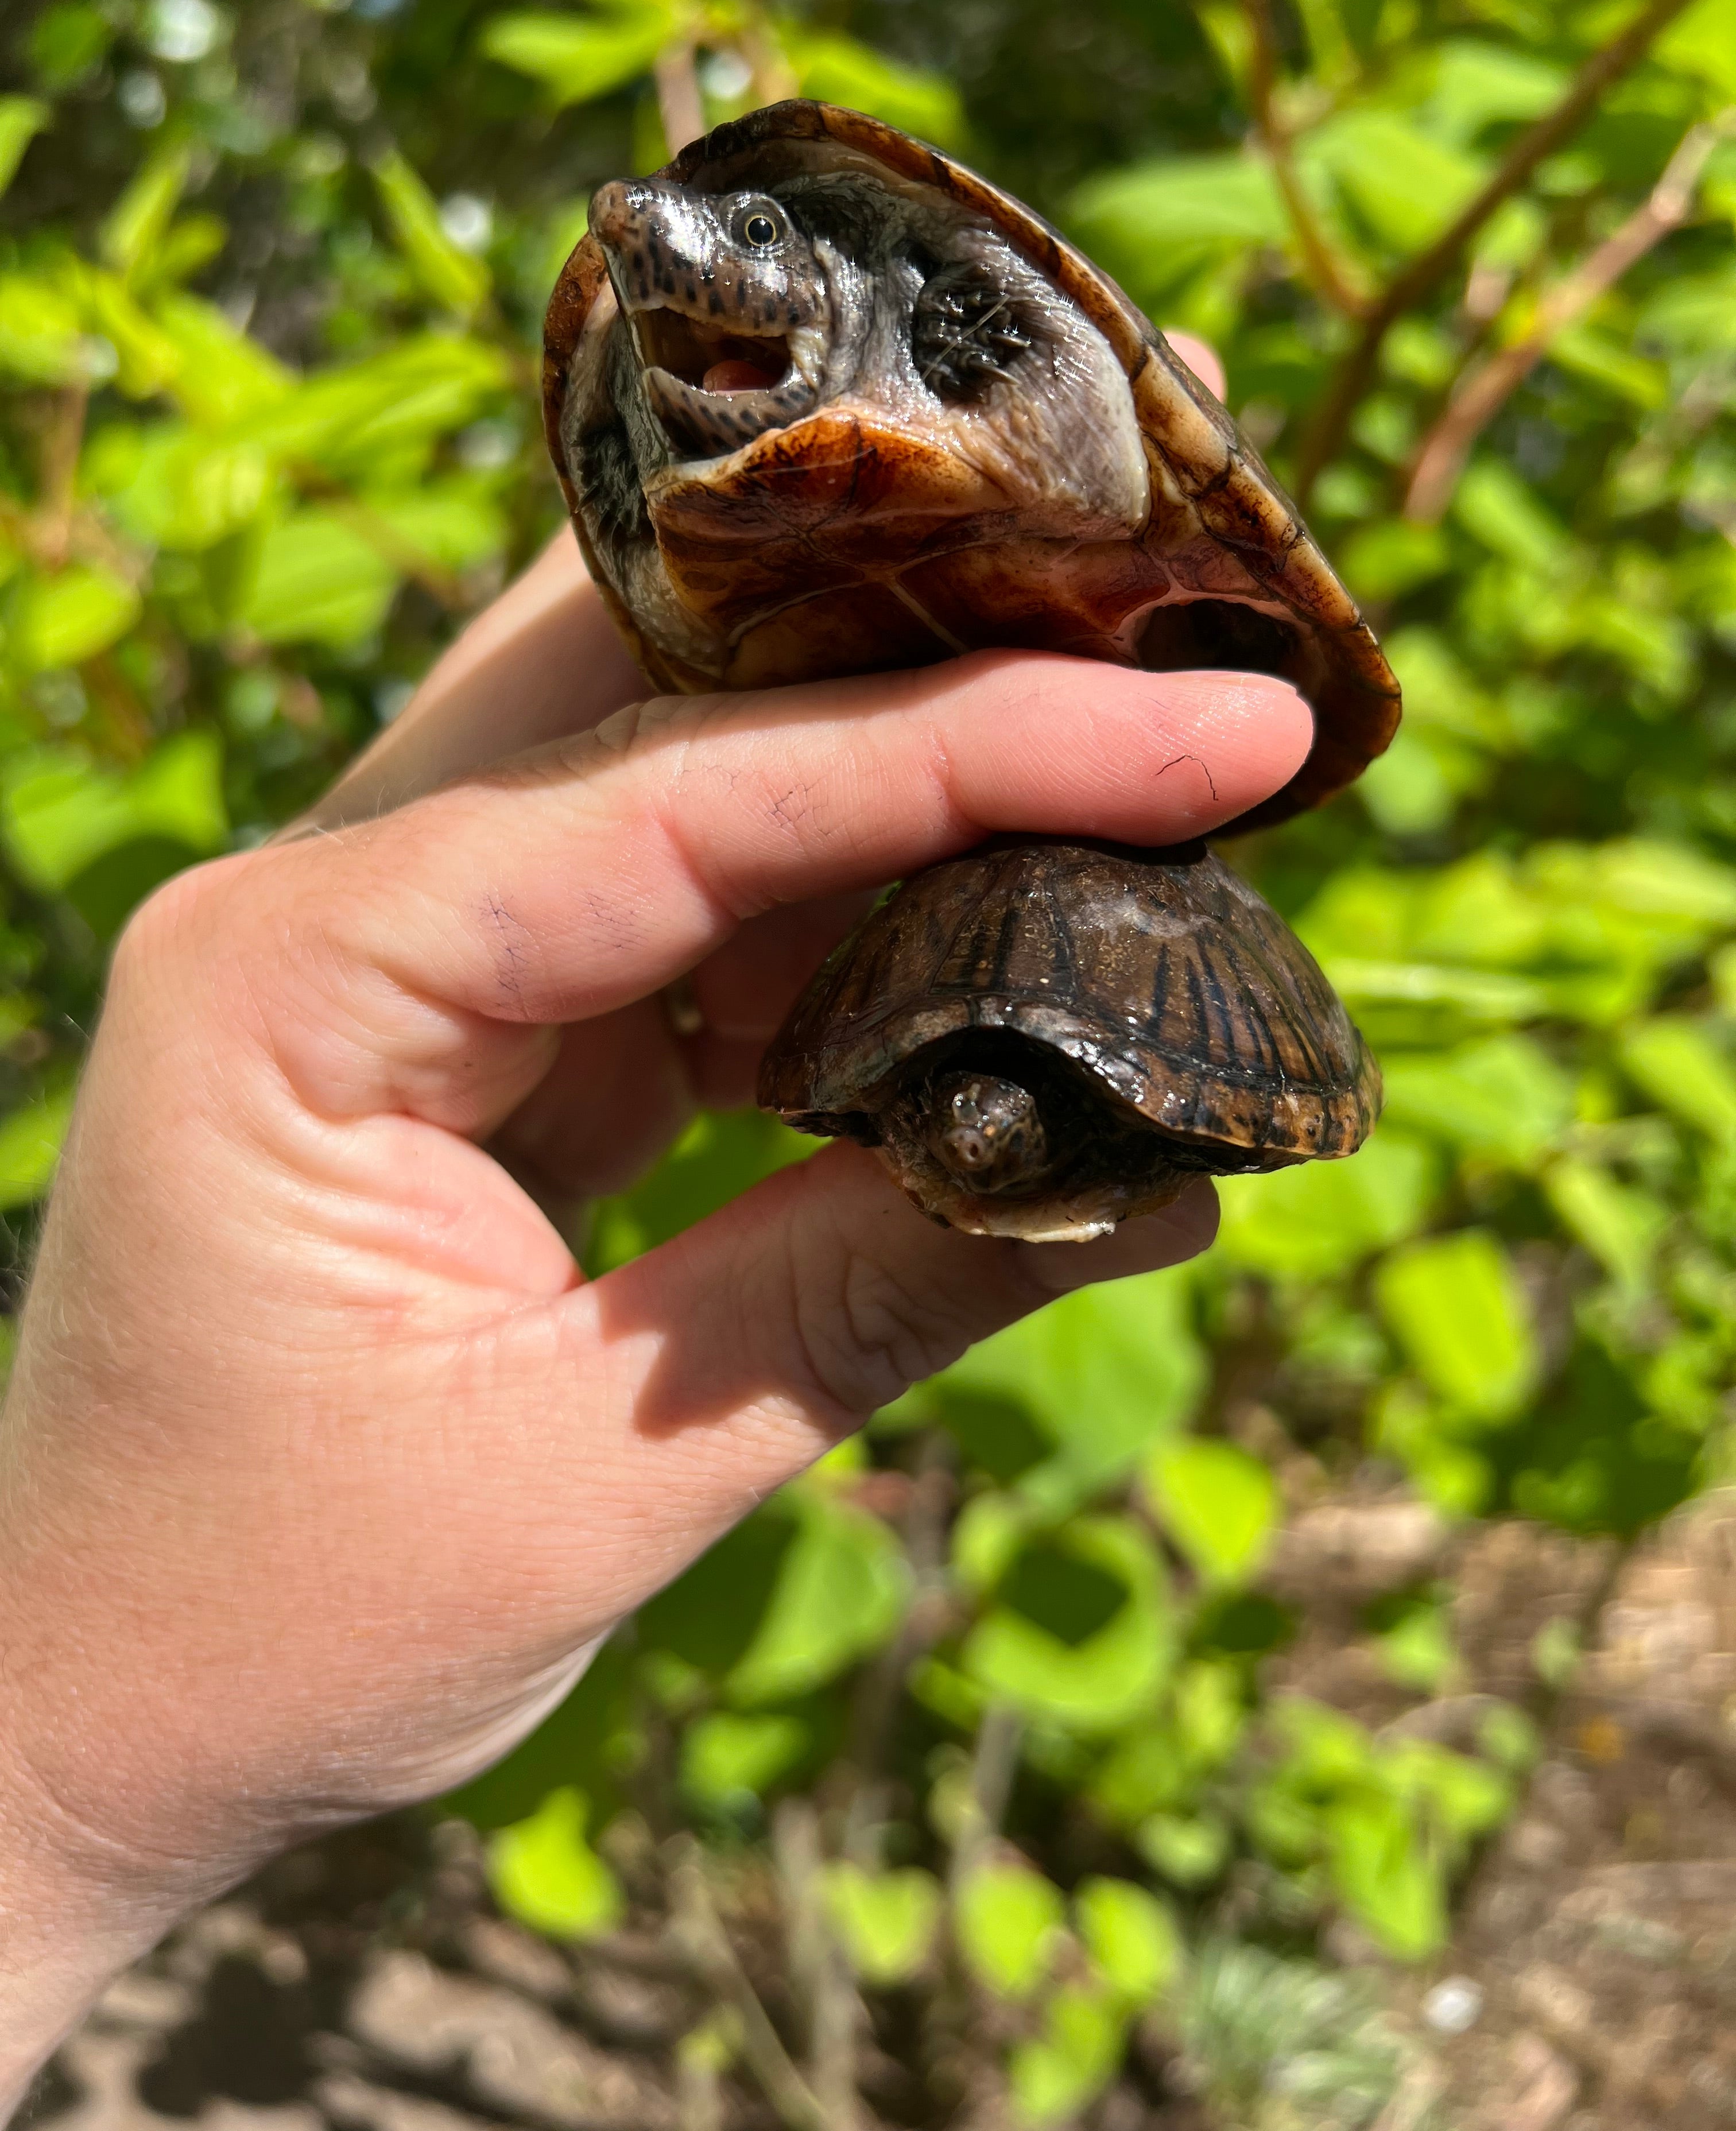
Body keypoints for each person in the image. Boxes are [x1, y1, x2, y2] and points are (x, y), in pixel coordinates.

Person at [0, 348, 1311, 2111]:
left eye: (987, 1121)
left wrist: (53, 1807)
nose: (977, 1139)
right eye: (953, 1110)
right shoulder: (911, 1107)